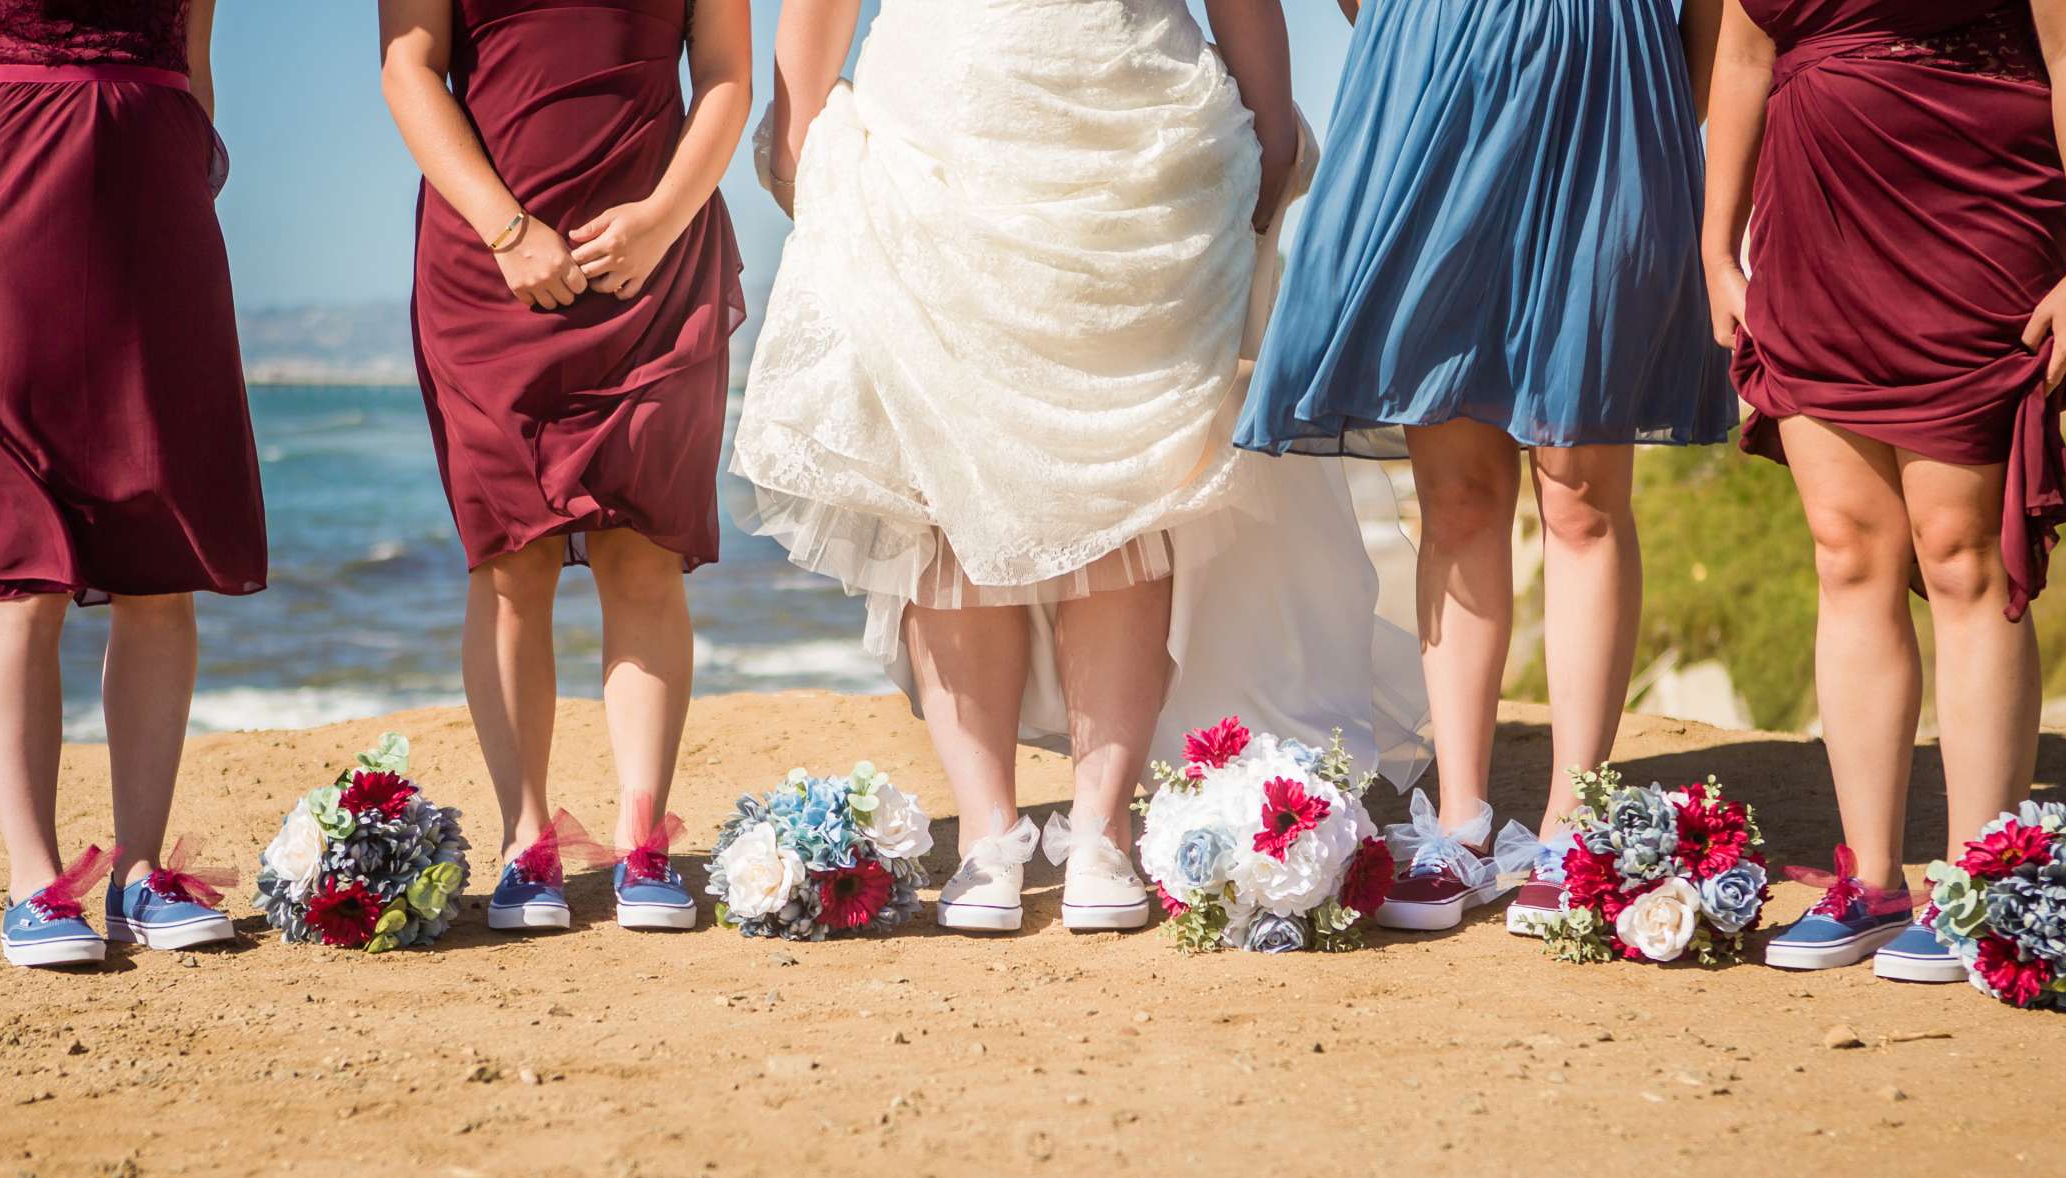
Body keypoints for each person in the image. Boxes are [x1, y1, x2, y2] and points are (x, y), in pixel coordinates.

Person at [735, 0, 1428, 937]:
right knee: (941, 495)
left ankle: (1100, 830)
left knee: (1127, 489)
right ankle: (990, 834)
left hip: (1135, 136)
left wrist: (1267, 126)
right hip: (935, 129)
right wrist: (804, 132)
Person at [1236, 0, 1735, 938]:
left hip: (1607, 88)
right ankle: (1459, 823)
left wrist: (1665, 109)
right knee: (1456, 493)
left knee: (1581, 492)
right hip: (1433, 82)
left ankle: (1571, 824)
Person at [1701, 0, 2066, 979]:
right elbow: (1743, 49)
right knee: (1847, 549)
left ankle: (1982, 882)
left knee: (1962, 552)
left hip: (1973, 205)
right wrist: (1718, 246)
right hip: (1812, 224)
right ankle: (1873, 879)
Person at [0, 0, 267, 967]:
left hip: (159, 209)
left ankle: (140, 874)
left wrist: (171, 182)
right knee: (28, 557)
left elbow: (193, 64)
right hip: (7, 206)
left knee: (159, 549)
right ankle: (35, 880)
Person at [379, 0, 747, 933]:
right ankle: (526, 841)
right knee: (511, 562)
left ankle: (642, 842)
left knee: (645, 553)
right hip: (489, 267)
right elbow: (409, 67)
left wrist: (665, 218)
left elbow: (725, 78)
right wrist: (507, 231)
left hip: (653, 265)